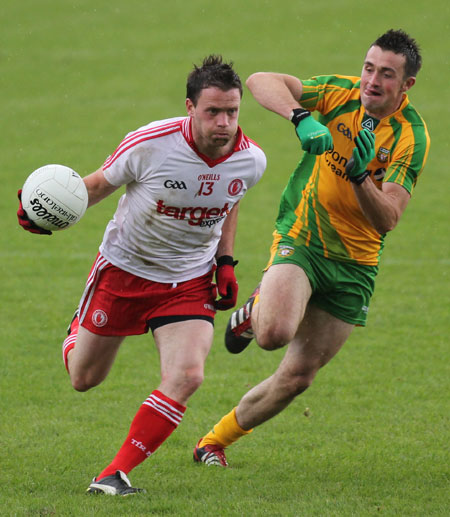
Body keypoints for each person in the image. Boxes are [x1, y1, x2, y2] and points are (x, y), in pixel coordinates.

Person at [17, 55, 266, 494]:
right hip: (125, 271)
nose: (223, 122)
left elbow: (232, 198)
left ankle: (114, 474)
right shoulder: (150, 143)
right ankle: (79, 327)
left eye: (231, 111)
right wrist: (43, 215)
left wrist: (225, 263)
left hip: (189, 281)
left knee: (188, 375)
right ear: (190, 108)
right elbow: (93, 187)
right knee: (84, 379)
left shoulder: (251, 160)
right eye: (213, 112)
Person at [192, 29, 430, 467]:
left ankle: (213, 442)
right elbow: (262, 80)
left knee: (299, 377)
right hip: (303, 238)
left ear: (406, 85)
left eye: (387, 74)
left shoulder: (410, 138)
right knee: (273, 334)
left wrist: (360, 177)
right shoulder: (340, 94)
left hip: (356, 266)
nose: (372, 80)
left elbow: (388, 219)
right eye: (369, 67)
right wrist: (301, 117)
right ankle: (259, 310)